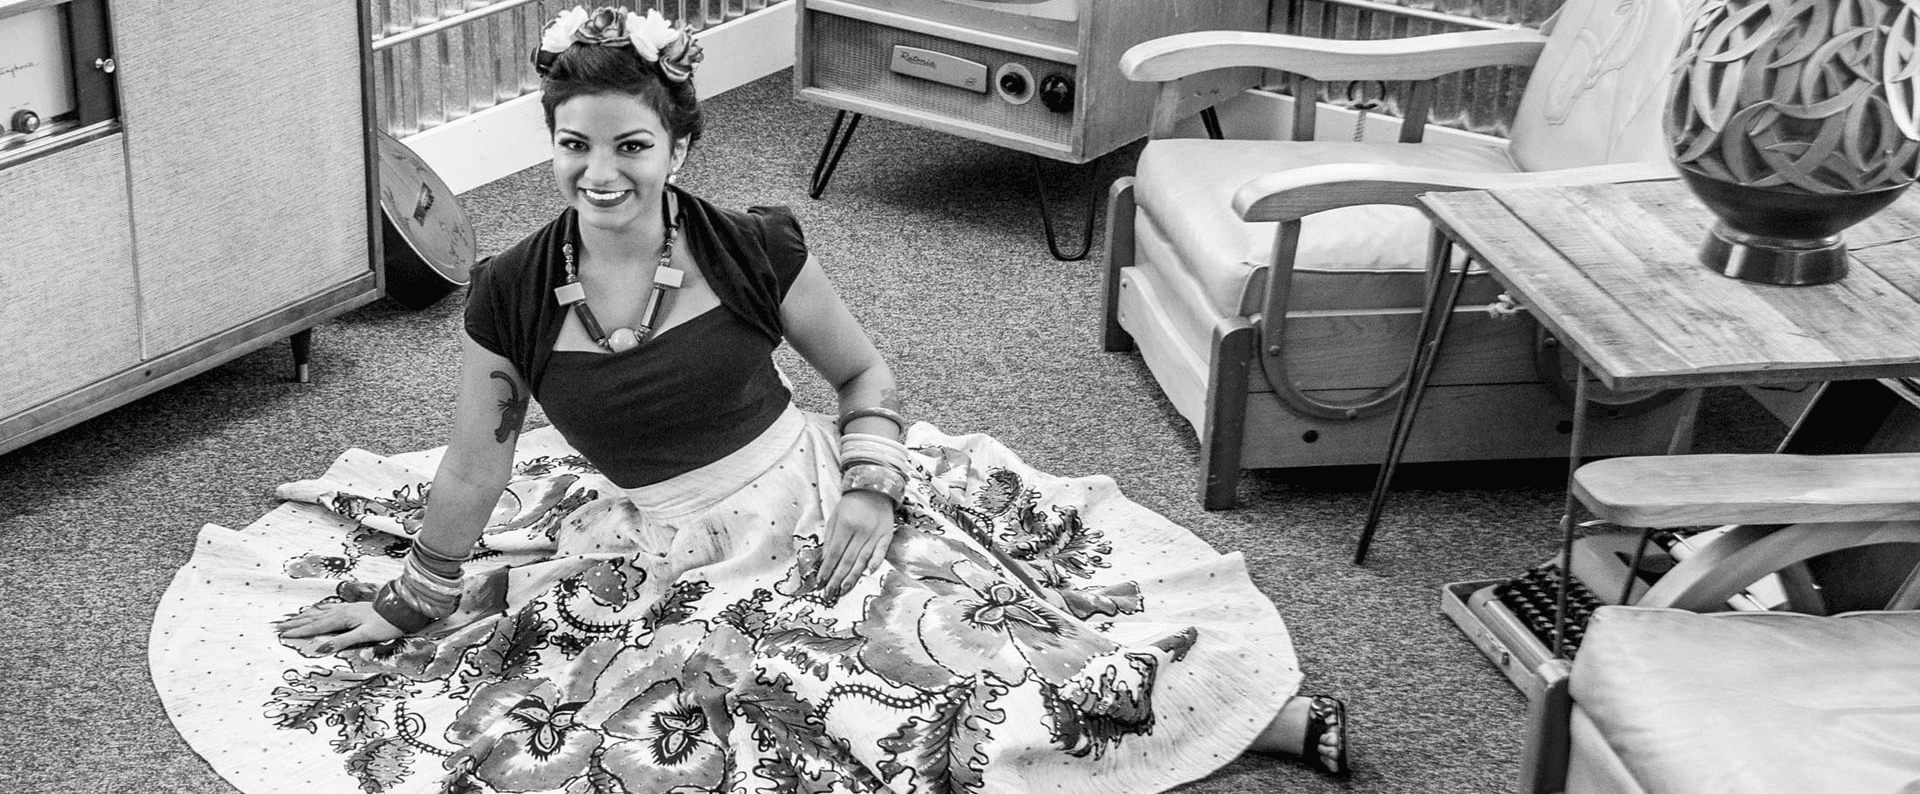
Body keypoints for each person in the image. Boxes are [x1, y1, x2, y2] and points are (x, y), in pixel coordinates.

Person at [182, 5, 1350, 792]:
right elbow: (476, 467)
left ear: (679, 146)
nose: (601, 172)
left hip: (812, 492)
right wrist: (409, 602)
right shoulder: (511, 292)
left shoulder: (751, 248)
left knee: (974, 630)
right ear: (549, 145)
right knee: (802, 699)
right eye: (574, 145)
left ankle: (1251, 720)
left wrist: (872, 491)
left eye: (632, 145)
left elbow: (862, 376)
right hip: (659, 544)